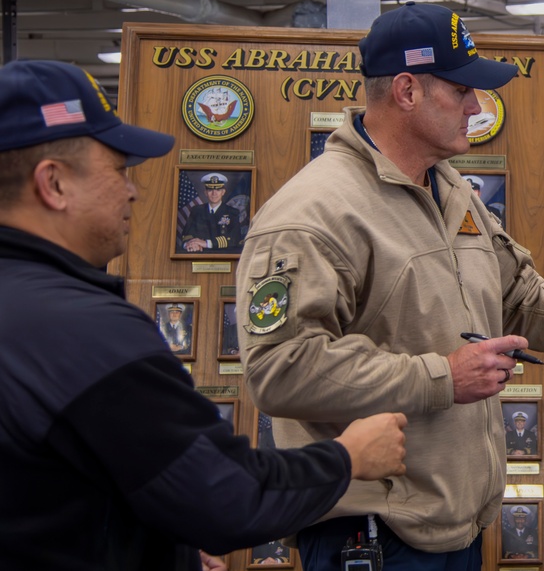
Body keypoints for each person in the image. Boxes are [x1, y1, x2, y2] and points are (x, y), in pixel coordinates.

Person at [235, 2, 544, 571]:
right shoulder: (315, 214)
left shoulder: (448, 189)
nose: (477, 107)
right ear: (407, 91)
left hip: (456, 525)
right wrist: (443, 376)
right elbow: (281, 369)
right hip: (373, 535)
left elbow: (520, 296)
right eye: (461, 91)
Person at [0, 59, 409, 571]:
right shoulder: (83, 332)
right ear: (53, 183)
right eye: (117, 170)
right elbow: (227, 498)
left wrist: (158, 540)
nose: (133, 190)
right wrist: (347, 458)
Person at [180, 172, 245, 253]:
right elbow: (186, 235)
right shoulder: (196, 210)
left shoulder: (232, 213)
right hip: (198, 255)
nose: (214, 193)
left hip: (224, 257)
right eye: (210, 190)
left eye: (218, 190)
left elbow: (234, 239)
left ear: (223, 192)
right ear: (205, 192)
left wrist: (206, 243)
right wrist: (189, 244)